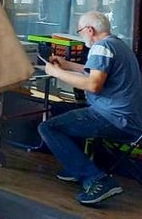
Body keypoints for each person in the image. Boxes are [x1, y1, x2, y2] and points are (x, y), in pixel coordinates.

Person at [39, 11, 142, 205]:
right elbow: (96, 71)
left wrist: (55, 72)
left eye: (80, 31)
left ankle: (96, 179)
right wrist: (67, 65)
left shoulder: (101, 47)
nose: (81, 35)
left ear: (89, 30)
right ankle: (76, 167)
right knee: (68, 118)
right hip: (128, 118)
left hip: (113, 119)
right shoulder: (118, 44)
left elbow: (93, 84)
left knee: (48, 127)